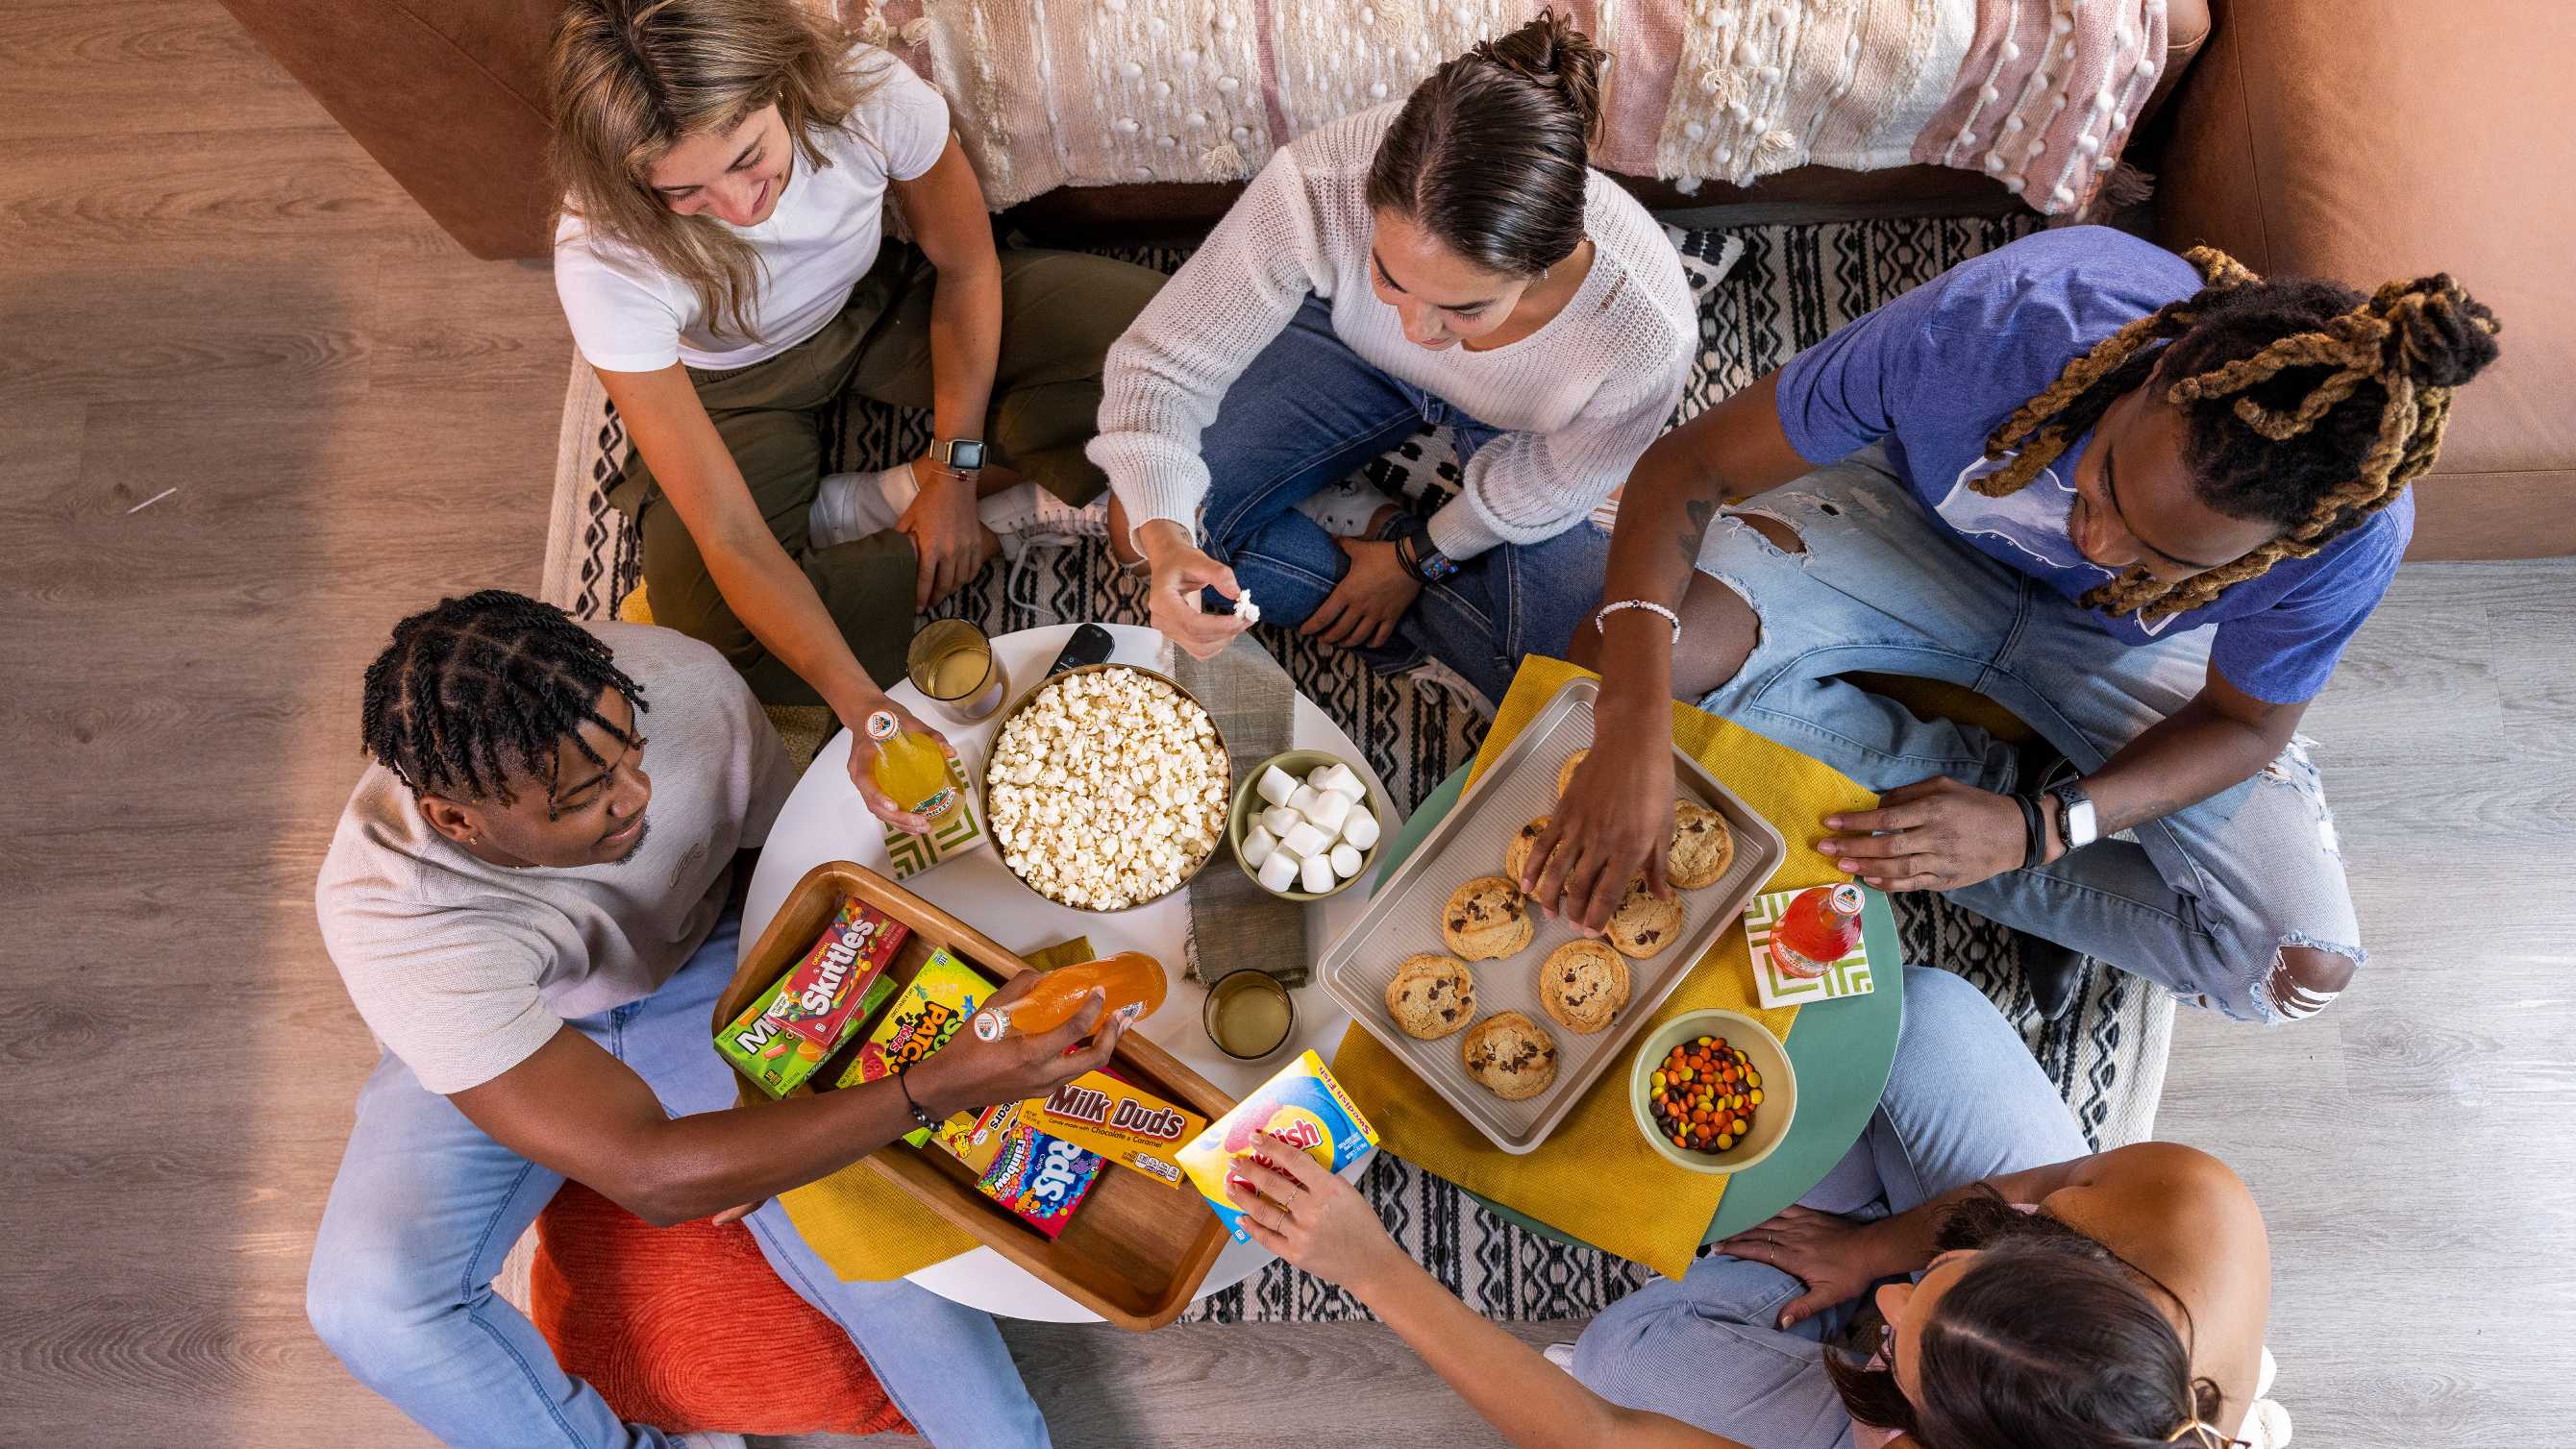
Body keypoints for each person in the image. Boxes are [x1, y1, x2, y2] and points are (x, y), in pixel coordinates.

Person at [1520, 227, 2499, 1021]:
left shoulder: (2344, 535)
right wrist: (1633, 727)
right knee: (1623, 663)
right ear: (2151, 366)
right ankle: (1998, 802)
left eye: (2162, 555)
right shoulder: (1999, 322)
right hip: (1899, 536)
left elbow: (2246, 723)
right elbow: (1687, 467)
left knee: (2288, 968)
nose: (2094, 538)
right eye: (2106, 474)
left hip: (2113, 658)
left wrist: (2043, 827)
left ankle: (2004, 820)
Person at [306, 591, 1119, 1448]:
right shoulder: (391, 916)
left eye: (631, 754)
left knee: (879, 1252)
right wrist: (933, 1088)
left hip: (707, 970)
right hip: (509, 1041)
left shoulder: (678, 681)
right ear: (456, 821)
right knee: (368, 1306)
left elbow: (783, 867)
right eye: (582, 797)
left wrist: (798, 1080)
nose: (636, 797)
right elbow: (653, 1178)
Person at [548, 0, 1163, 819]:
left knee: (1158, 344)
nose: (737, 207)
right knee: (711, 644)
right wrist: (864, 708)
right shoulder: (601, 254)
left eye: (749, 158)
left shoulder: (865, 91)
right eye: (684, 192)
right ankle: (975, 497)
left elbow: (969, 270)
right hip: (730, 386)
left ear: (782, 85)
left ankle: (912, 501)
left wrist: (953, 472)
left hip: (876, 306)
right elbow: (729, 535)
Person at [1228, 968, 2273, 1449]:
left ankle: (1784, 1260)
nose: (1898, 1300)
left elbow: (1597, 1433)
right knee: (1931, 1014)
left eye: (1898, 1335)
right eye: (1942, 1275)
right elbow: (2033, 1193)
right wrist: (1867, 1253)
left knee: (1621, 1358)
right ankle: (1833, 1229)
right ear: (2072, 1260)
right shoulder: (2194, 1205)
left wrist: (1371, 1267)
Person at [1091, 10, 1695, 705]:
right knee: (1139, 528)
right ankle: (1401, 567)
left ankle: (1383, 556)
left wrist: (1419, 555)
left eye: (1464, 308)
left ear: (1546, 261)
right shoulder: (1320, 182)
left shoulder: (1646, 332)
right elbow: (1162, 371)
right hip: (1345, 352)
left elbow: (1554, 483)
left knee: (1591, 671)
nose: (1415, 330)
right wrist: (1170, 546)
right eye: (1390, 277)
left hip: (1524, 435)